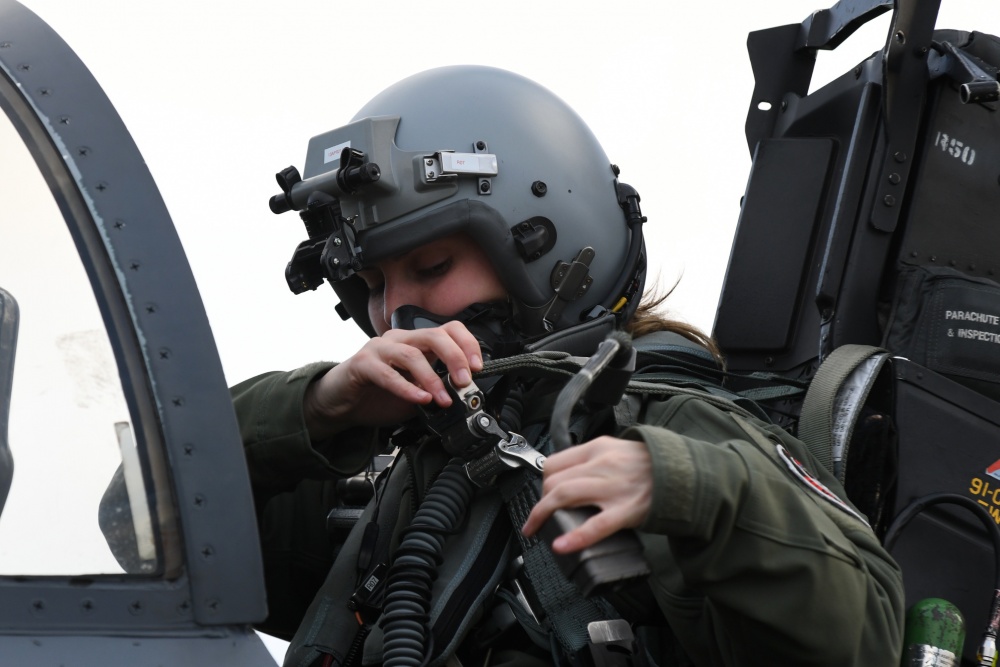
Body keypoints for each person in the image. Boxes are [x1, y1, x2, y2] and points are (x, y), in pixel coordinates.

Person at [233, 65, 905, 666]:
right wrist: (319, 408)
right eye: (372, 283)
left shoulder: (674, 423)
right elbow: (155, 514)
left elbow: (867, 635)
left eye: (431, 266)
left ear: (551, 252)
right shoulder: (409, 474)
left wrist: (683, 487)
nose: (391, 313)